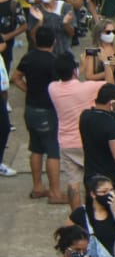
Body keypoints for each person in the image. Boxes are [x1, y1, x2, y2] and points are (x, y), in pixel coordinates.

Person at [13, 26, 64, 202]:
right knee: (52, 150)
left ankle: (37, 187)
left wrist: (28, 90)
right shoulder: (53, 61)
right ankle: (55, 192)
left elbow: (16, 77)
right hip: (47, 110)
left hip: (30, 108)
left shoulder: (28, 57)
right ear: (54, 41)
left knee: (35, 148)